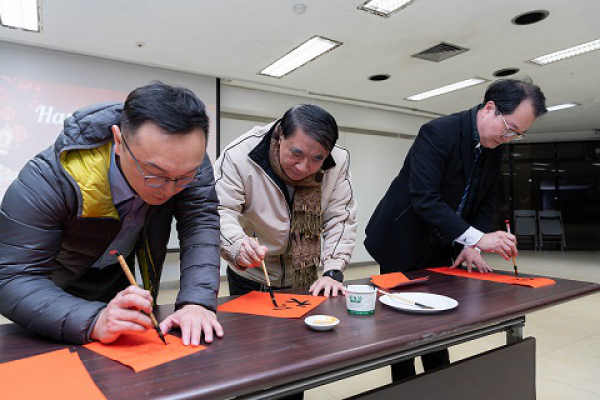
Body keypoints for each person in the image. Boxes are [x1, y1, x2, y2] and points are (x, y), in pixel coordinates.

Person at [0, 82, 223, 346]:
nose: (169, 189)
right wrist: (93, 320)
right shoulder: (48, 179)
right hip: (53, 285)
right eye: (155, 175)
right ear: (118, 141)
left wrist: (196, 302)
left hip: (117, 274)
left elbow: (200, 222)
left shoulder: (187, 161)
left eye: (184, 177)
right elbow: (13, 277)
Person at [364, 78, 547, 380]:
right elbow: (425, 199)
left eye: (517, 134)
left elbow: (485, 201)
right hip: (401, 240)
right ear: (489, 108)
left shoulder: (494, 147)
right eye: (510, 128)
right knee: (403, 327)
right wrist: (479, 238)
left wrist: (470, 245)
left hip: (441, 242)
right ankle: (405, 388)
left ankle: (440, 386)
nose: (509, 138)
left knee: (439, 322)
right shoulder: (438, 132)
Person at [215, 104, 357, 298]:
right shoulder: (239, 155)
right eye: (296, 153)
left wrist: (333, 271)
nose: (303, 167)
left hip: (304, 279)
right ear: (281, 135)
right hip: (251, 275)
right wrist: (236, 244)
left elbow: (340, 218)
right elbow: (221, 210)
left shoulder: (338, 160)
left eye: (316, 159)